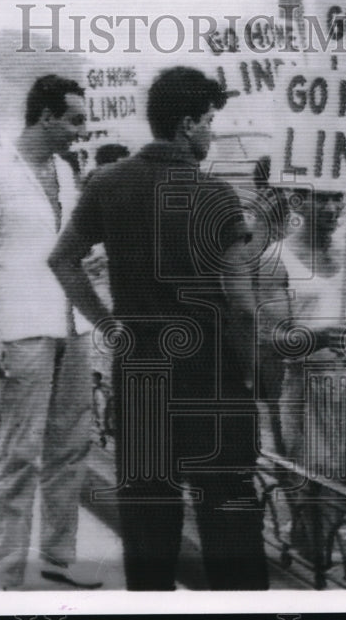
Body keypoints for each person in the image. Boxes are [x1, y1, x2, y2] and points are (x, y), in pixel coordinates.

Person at [48, 66, 268, 591]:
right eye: (210, 120)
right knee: (230, 524)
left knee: (148, 534)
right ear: (188, 123)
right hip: (211, 381)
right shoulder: (214, 195)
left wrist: (110, 326)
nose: (211, 132)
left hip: (141, 379)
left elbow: (63, 260)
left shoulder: (108, 182)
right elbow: (240, 306)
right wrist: (256, 375)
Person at [0, 74, 101, 590]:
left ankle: (59, 561)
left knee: (72, 447)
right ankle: (3, 575)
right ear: (46, 116)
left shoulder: (65, 172)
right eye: (75, 120)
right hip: (22, 329)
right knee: (19, 452)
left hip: (71, 326)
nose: (80, 132)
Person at [252, 188, 346, 571]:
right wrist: (315, 337)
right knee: (320, 503)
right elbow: (272, 337)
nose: (332, 208)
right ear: (298, 202)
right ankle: (313, 576)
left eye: (337, 199)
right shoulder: (276, 258)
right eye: (321, 199)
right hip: (309, 388)